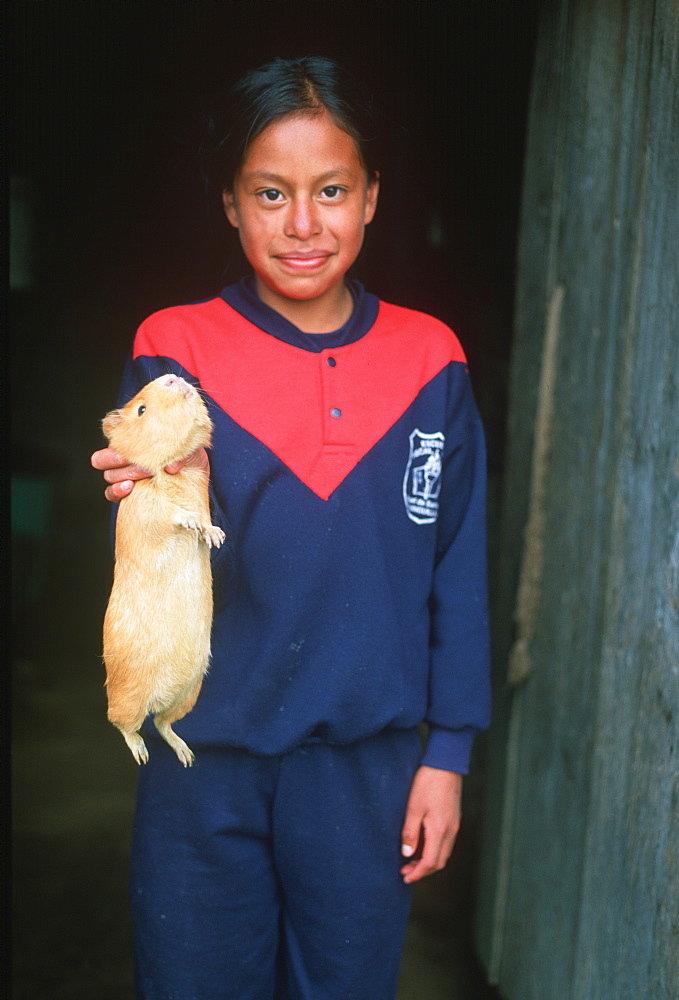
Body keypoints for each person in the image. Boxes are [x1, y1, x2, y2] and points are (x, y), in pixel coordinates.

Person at [91, 55, 490, 1000]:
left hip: (365, 770)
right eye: (270, 193)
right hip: (204, 764)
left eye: (331, 191)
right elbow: (152, 558)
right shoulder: (174, 348)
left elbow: (457, 570)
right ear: (229, 202)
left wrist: (448, 756)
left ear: (373, 197)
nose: (302, 224)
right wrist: (160, 496)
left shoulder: (431, 362)